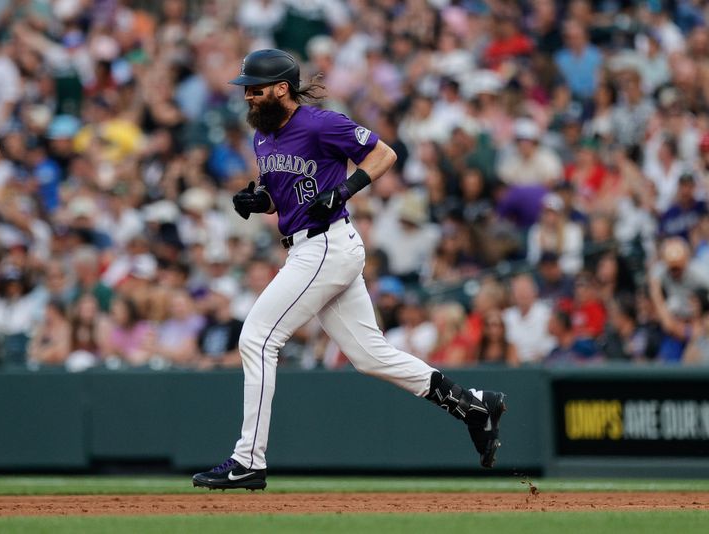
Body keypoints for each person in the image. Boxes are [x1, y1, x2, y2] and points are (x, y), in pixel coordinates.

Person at [192, 49, 506, 491]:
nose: (246, 95)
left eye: (254, 88)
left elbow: (384, 154)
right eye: (245, 88)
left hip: (326, 245)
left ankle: (248, 460)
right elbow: (287, 194)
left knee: (258, 338)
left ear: (281, 88)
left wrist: (345, 189)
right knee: (370, 356)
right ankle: (473, 406)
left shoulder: (320, 123)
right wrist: (257, 201)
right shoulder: (263, 137)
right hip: (310, 246)